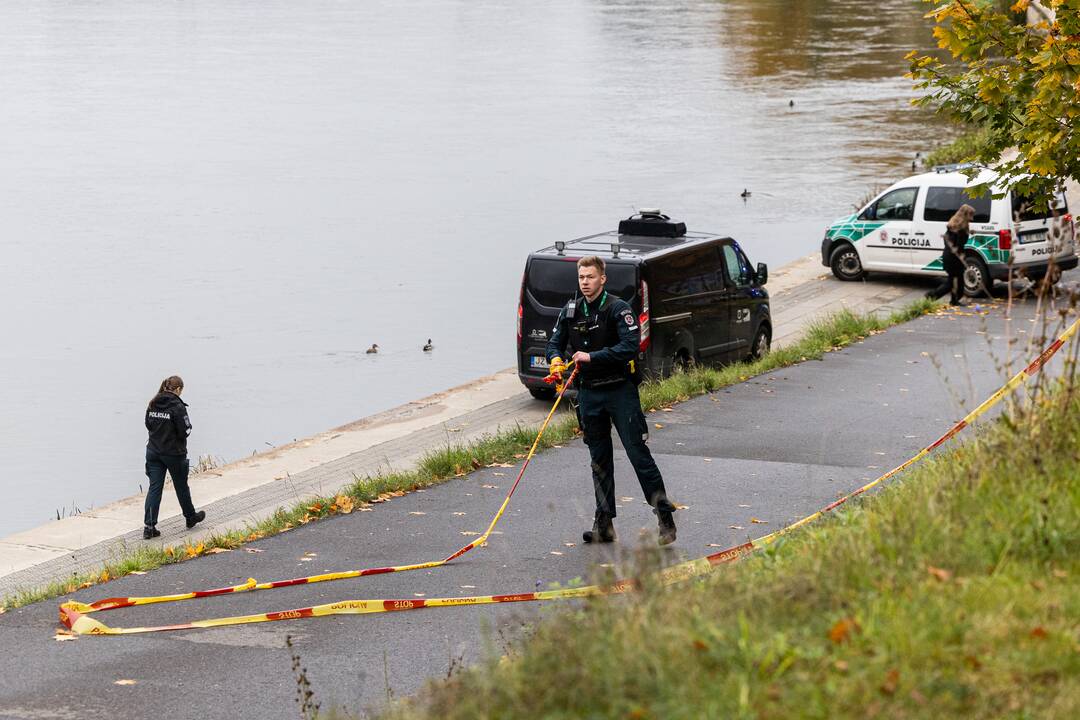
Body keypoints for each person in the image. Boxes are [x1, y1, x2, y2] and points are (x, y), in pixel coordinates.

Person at [547, 256, 678, 545]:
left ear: (602, 278)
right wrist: (555, 360)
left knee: (637, 455)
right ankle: (603, 524)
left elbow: (629, 347)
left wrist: (591, 357)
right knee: (599, 460)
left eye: (590, 277)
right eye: (581, 277)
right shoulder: (570, 311)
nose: (585, 282)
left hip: (620, 391)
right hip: (589, 393)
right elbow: (554, 343)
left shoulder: (618, 309)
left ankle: (665, 519)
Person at [143, 375, 205, 539]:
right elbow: (184, 431)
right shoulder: (177, 406)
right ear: (178, 389)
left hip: (153, 452)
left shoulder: (153, 402)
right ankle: (190, 518)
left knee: (154, 488)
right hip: (173, 454)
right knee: (181, 486)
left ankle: (149, 527)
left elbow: (148, 425)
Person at [926, 204, 975, 305]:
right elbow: (959, 245)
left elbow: (949, 241)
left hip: (949, 256)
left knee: (957, 280)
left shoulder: (953, 225)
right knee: (952, 282)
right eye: (970, 215)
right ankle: (932, 296)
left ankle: (954, 300)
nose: (972, 219)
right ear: (965, 215)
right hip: (954, 259)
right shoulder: (961, 228)